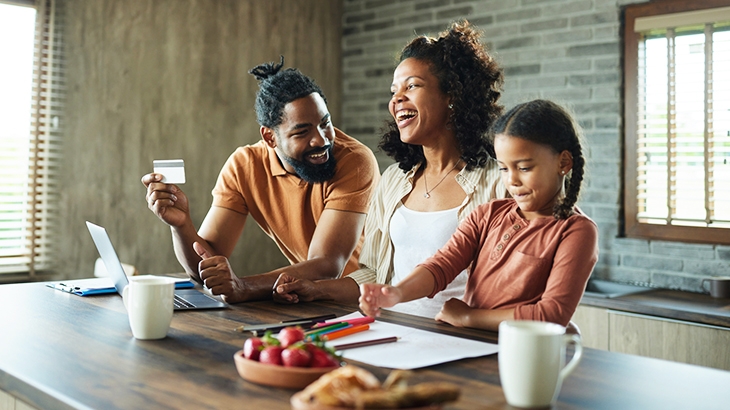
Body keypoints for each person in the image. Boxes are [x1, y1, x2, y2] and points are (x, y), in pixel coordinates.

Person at [272, 21, 506, 319]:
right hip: (397, 334)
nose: (396, 100)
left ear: (452, 96)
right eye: (394, 91)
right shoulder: (395, 180)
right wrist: (319, 289)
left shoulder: (500, 182)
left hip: (465, 344)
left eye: (412, 86)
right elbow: (374, 274)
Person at [141, 57, 379, 303]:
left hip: (366, 300)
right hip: (307, 300)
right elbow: (206, 269)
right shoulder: (244, 166)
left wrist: (244, 286)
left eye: (325, 123)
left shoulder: (355, 161)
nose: (321, 140)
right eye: (302, 131)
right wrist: (181, 225)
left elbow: (328, 265)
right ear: (269, 137)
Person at [359, 99, 599, 331]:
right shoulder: (488, 214)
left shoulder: (576, 231)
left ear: (564, 163)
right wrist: (397, 293)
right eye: (504, 168)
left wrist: (468, 317)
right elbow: (442, 265)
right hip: (471, 348)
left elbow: (551, 314)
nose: (512, 181)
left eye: (524, 168)